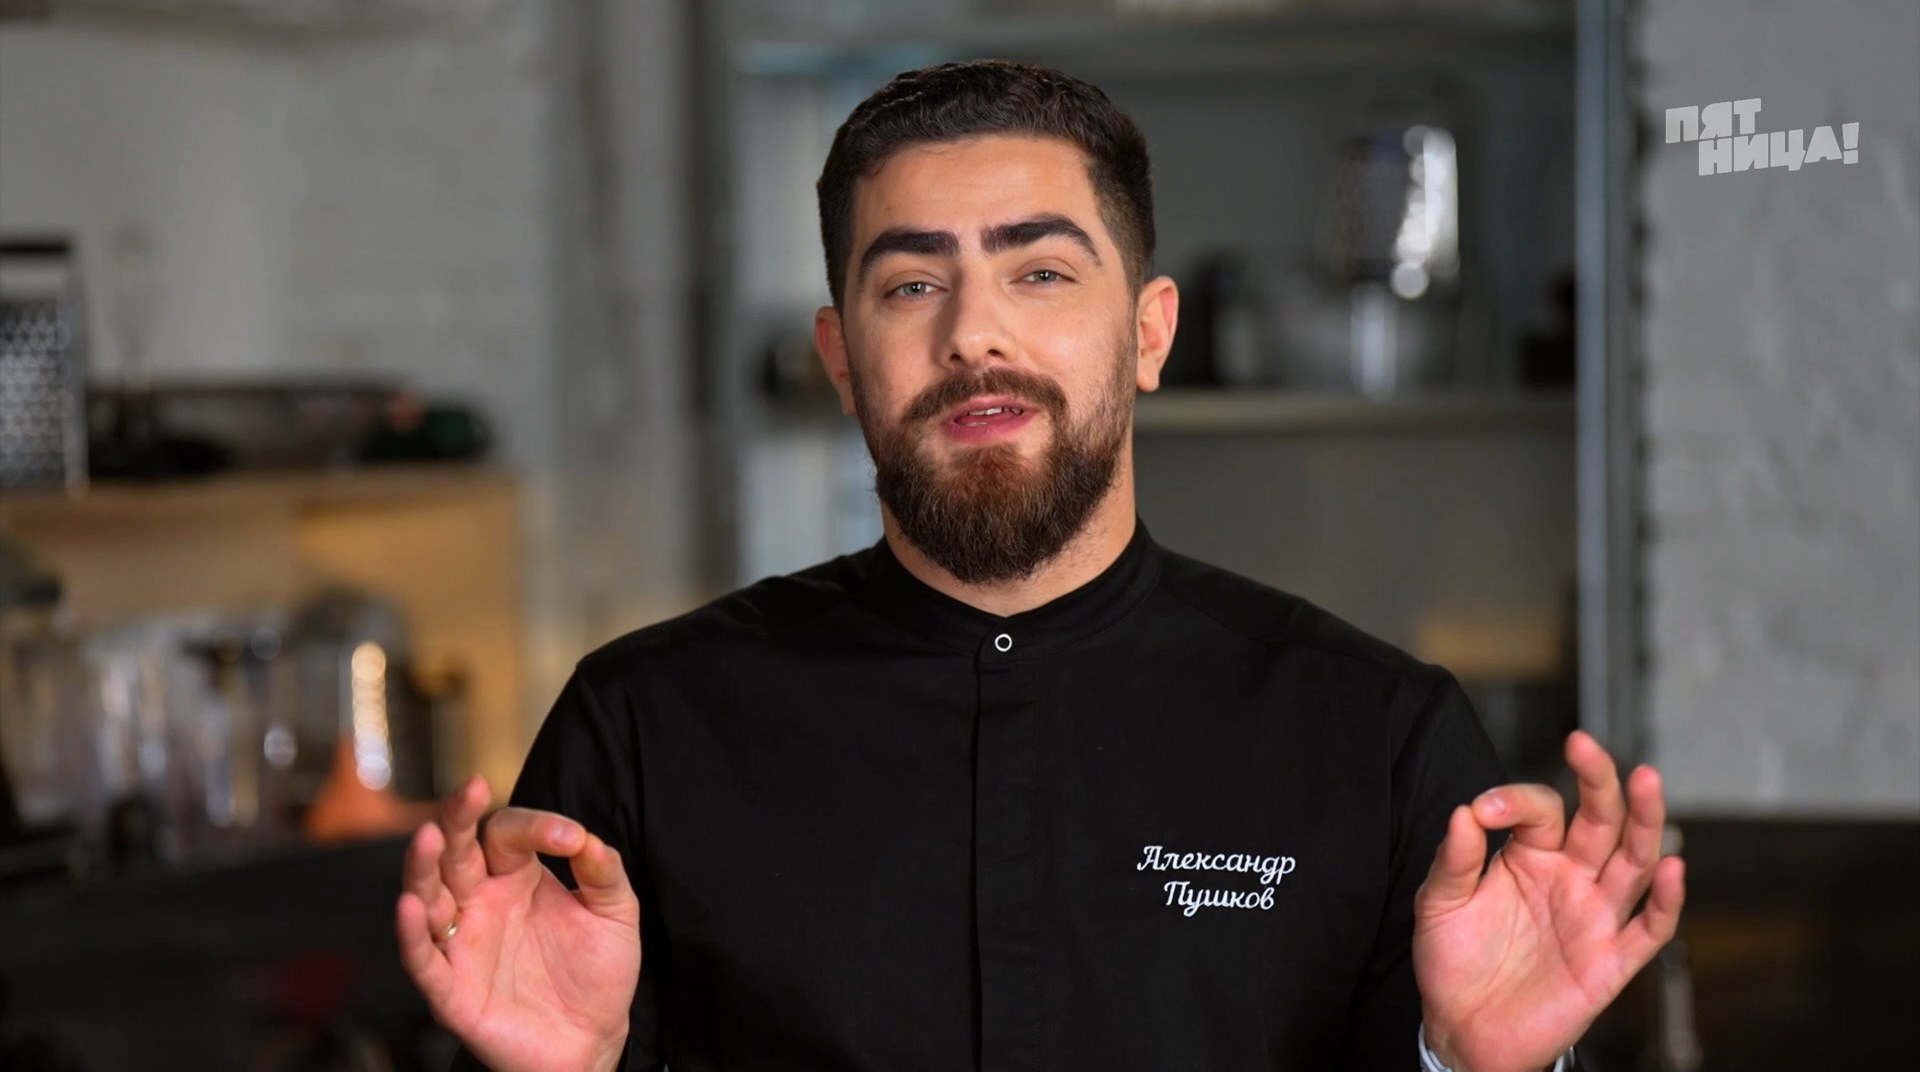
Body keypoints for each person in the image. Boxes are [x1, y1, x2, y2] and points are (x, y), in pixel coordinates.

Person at [397, 60, 1684, 1072]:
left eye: (1042, 271)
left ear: (1149, 334)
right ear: (842, 359)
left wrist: (1474, 1069)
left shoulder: (1380, 735)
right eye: (912, 286)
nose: (976, 334)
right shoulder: (641, 725)